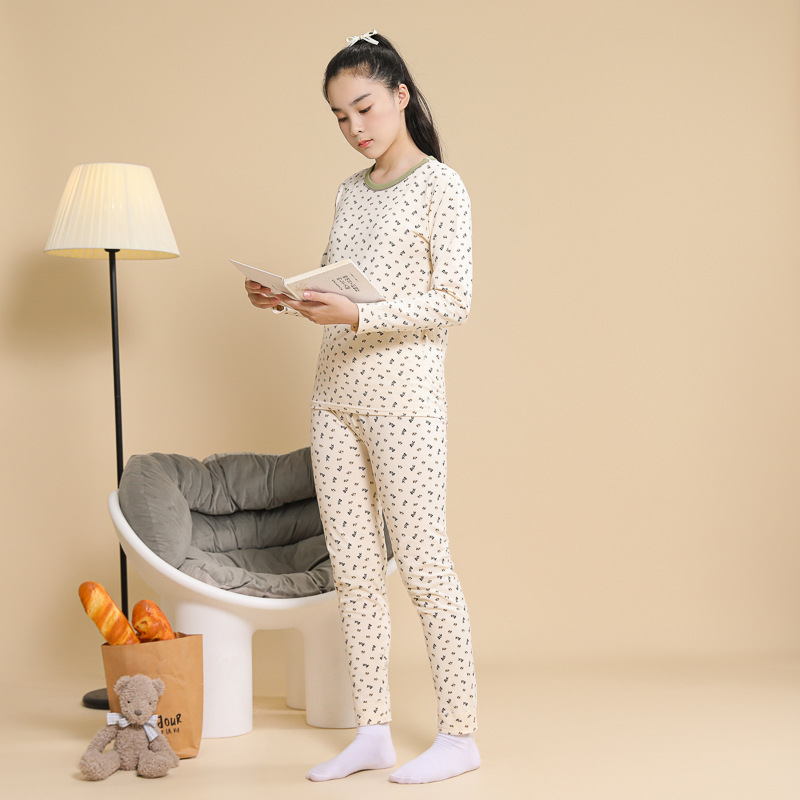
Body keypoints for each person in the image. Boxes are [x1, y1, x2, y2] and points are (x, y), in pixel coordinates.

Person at [245, 29, 479, 785]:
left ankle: (460, 735)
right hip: (334, 402)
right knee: (352, 574)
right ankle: (372, 731)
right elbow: (337, 286)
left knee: (425, 569)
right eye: (341, 117)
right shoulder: (350, 191)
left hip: (405, 405)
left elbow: (453, 301)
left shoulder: (442, 186)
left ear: (401, 95)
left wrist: (358, 316)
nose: (355, 127)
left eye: (365, 107)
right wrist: (286, 299)